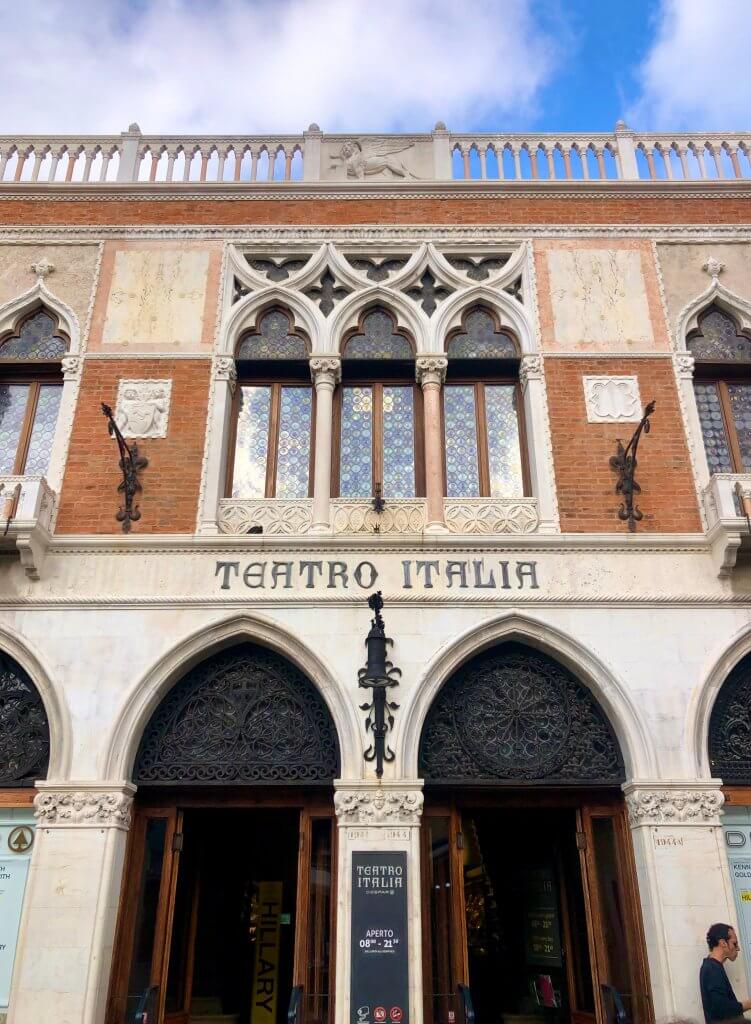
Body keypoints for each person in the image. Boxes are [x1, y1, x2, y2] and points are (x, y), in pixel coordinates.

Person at [700, 923, 751, 1023]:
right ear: (723, 943)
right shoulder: (712, 969)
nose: (738, 948)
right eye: (734, 944)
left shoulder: (712, 967)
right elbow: (722, 1008)